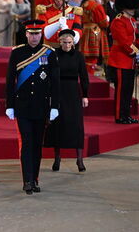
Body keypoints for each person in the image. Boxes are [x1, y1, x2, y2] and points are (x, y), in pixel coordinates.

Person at [6, 19, 60, 195]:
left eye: (38, 34)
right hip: (23, 107)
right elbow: (9, 81)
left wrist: (54, 106)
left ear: (41, 34)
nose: (35, 37)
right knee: (27, 143)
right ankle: (27, 180)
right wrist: (10, 105)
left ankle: (35, 179)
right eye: (32, 33)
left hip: (41, 106)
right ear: (26, 34)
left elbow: (55, 83)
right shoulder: (17, 53)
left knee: (37, 145)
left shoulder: (50, 53)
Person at [44, 29, 89, 172]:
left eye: (70, 42)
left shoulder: (79, 56)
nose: (67, 45)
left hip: (73, 92)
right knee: (57, 124)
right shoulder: (53, 55)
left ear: (73, 43)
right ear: (59, 42)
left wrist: (85, 95)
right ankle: (57, 158)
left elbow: (84, 76)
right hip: (57, 91)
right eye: (64, 42)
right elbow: (49, 75)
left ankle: (79, 160)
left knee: (76, 125)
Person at [107, 0, 139, 124]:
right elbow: (124, 42)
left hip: (129, 62)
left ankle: (126, 114)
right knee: (121, 91)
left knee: (128, 91)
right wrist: (136, 52)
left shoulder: (132, 20)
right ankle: (119, 116)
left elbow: (137, 37)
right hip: (120, 61)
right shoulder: (118, 21)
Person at [80, 0, 110, 75]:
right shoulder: (97, 6)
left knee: (86, 56)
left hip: (85, 30)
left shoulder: (83, 5)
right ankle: (90, 75)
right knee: (93, 56)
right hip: (94, 32)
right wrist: (107, 21)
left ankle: (85, 73)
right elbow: (103, 23)